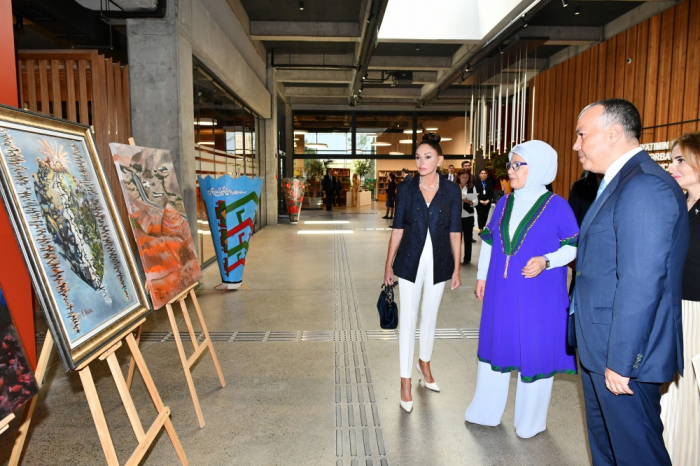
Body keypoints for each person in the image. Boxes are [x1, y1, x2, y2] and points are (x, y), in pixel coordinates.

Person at [571, 98, 689, 466]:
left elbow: (641, 281)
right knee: (608, 451)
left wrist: (622, 361)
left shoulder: (644, 186)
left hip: (622, 356)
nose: (576, 145)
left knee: (637, 455)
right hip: (600, 346)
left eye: (581, 135)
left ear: (614, 132)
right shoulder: (618, 182)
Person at [465, 141, 579, 438]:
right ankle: (486, 410)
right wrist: (481, 276)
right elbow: (490, 241)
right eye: (510, 166)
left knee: (535, 349)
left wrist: (547, 260)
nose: (510, 171)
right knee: (496, 344)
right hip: (500, 291)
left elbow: (573, 246)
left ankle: (530, 421)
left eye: (518, 165)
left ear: (539, 168)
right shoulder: (504, 202)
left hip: (539, 295)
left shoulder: (557, 206)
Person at [383, 133, 462, 413]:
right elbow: (398, 229)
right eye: (417, 157)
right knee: (408, 319)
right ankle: (405, 380)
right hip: (408, 261)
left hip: (439, 261)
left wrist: (456, 266)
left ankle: (424, 364)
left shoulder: (451, 191)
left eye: (427, 157)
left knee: (430, 317)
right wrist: (388, 263)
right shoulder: (406, 188)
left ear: (440, 160)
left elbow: (455, 231)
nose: (421, 162)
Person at [660, 131, 700, 466]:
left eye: (680, 160)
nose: (672, 166)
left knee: (688, 401)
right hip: (673, 308)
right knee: (672, 398)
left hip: (694, 314)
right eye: (671, 159)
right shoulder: (681, 204)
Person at [457, 169, 475, 265]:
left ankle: (467, 259)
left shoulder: (472, 187)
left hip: (468, 216)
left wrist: (467, 201)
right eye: (463, 177)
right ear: (459, 176)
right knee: (457, 239)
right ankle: (456, 258)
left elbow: (475, 201)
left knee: (468, 239)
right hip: (456, 217)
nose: (465, 179)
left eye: (467, 177)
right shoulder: (454, 187)